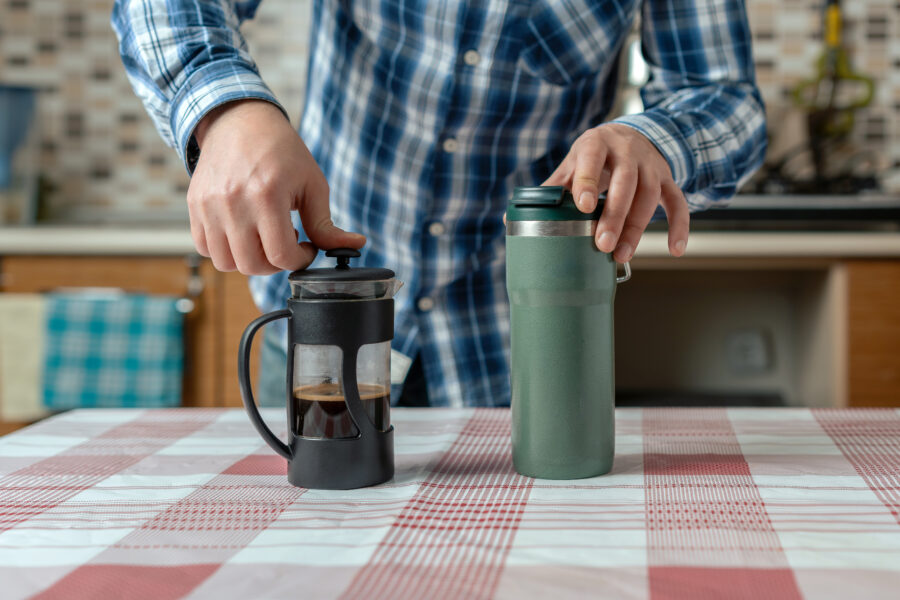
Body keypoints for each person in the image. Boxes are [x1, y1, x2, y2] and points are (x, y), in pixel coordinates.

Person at [112, 0, 766, 408]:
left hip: (520, 351)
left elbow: (724, 98)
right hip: (322, 330)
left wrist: (651, 140)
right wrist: (225, 108)